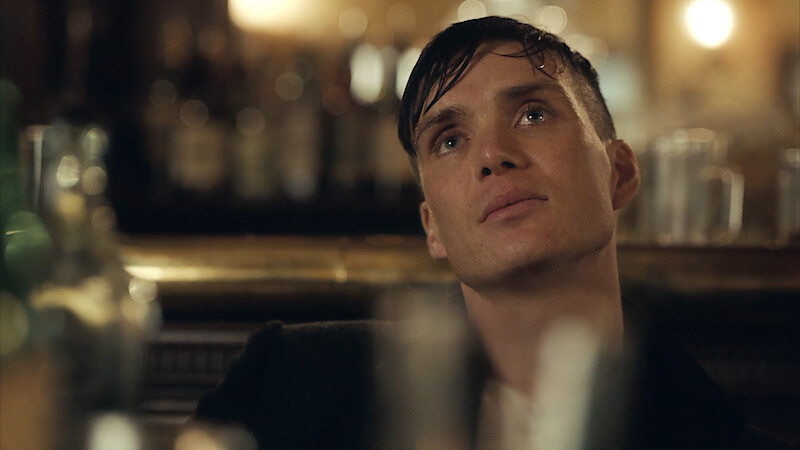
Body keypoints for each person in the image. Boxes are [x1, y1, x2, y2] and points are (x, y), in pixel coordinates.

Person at [194, 16, 791, 449]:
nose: (492, 155)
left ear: (619, 173)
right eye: (449, 140)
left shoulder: (718, 435)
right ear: (434, 229)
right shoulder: (286, 384)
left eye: (532, 114)